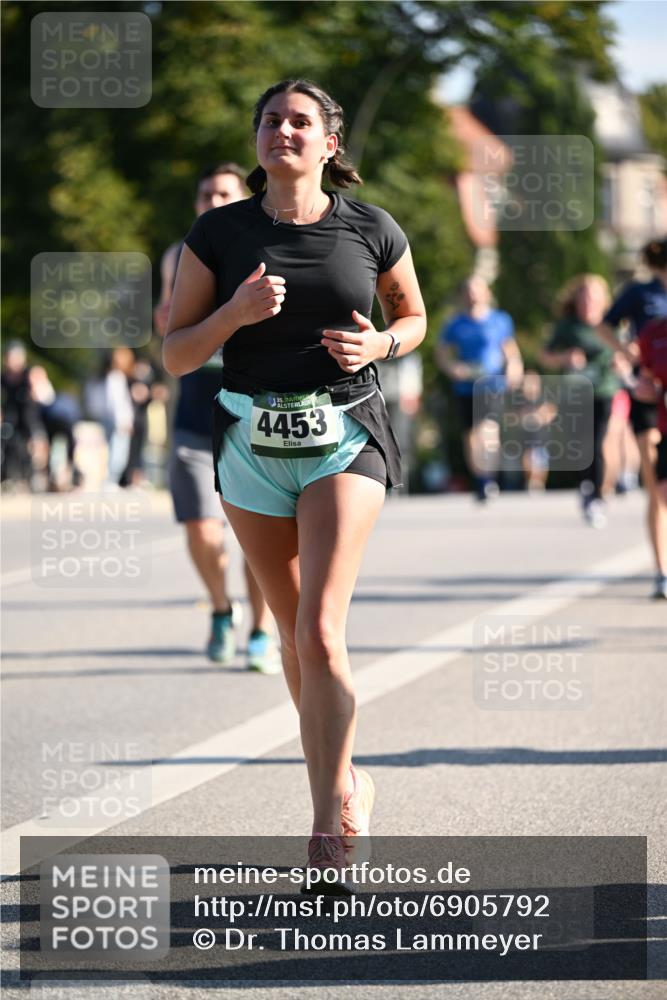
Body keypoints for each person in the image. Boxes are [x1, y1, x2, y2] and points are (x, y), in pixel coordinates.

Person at [163, 78, 426, 887]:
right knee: (288, 637)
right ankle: (347, 780)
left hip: (345, 434)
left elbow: (414, 319)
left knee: (318, 631)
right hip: (250, 437)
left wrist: (379, 347)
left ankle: (325, 831)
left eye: (300, 121)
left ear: (329, 143)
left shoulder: (371, 228)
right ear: (257, 139)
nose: (284, 130)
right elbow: (175, 354)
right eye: (271, 120)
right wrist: (235, 314)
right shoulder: (219, 233)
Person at [154, 163, 278, 671]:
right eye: (205, 193)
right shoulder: (178, 256)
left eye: (223, 192)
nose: (212, 200)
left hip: (253, 407)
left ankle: (260, 629)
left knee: (260, 534)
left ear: (240, 196)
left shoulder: (264, 244)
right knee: (202, 528)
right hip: (195, 406)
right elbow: (167, 322)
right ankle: (222, 610)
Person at [596, 238, 667, 596]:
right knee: (657, 481)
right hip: (650, 392)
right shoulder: (641, 293)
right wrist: (628, 354)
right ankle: (661, 571)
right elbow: (604, 325)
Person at [540, 274, 623, 528]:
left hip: (603, 390)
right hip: (575, 393)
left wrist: (621, 362)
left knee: (596, 442)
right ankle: (586, 486)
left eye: (593, 296)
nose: (588, 301)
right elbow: (545, 355)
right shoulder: (568, 326)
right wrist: (565, 358)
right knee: (579, 445)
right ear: (576, 300)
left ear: (602, 299)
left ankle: (596, 496)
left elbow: (627, 351)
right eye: (583, 296)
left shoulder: (612, 324)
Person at [435, 276, 523, 501]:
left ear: (486, 293)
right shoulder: (455, 324)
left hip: (492, 383)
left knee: (489, 429)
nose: (473, 295)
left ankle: (490, 476)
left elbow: (510, 350)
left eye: (477, 290)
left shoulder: (500, 320)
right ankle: (481, 480)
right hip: (466, 387)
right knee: (471, 436)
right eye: (469, 290)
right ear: (463, 295)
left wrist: (514, 367)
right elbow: (442, 354)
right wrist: (454, 368)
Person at [637, 316, 667, 598]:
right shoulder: (654, 333)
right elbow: (645, 377)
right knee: (662, 493)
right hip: (664, 424)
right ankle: (662, 573)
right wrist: (645, 388)